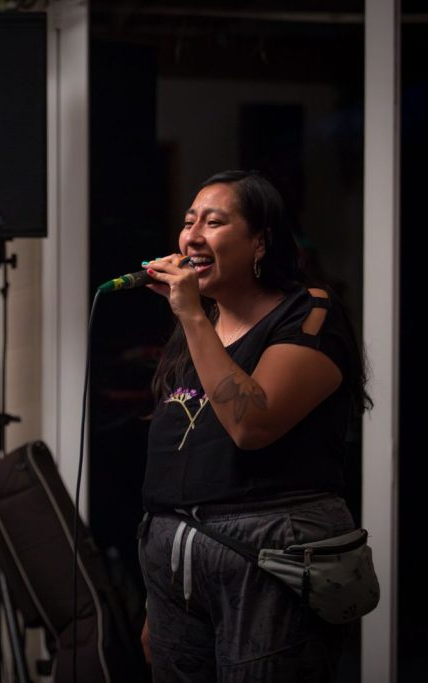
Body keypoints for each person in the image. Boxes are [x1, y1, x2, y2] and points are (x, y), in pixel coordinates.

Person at [136, 170, 371, 681]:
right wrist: (160, 597)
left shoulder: (309, 312)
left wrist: (191, 316)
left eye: (214, 222)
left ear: (260, 242)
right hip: (176, 568)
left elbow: (251, 425)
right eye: (189, 222)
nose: (192, 236)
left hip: (269, 557)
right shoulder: (202, 324)